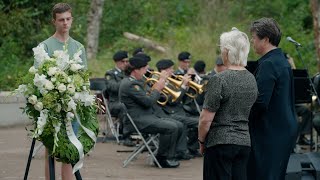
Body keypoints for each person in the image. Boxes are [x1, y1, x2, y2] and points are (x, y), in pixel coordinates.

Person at [34, 3, 87, 180]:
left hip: (73, 107)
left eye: (68, 19)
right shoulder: (45, 46)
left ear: (72, 20)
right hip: (52, 107)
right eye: (61, 20)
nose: (65, 23)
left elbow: (84, 78)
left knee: (70, 152)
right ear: (54, 22)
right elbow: (38, 79)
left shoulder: (79, 47)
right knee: (51, 152)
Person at [198, 27, 257, 180]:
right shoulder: (251, 78)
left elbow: (206, 119)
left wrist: (201, 140)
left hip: (220, 143)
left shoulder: (219, 79)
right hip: (244, 142)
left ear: (226, 51)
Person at [247, 18, 298, 180]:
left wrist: (243, 118)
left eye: (254, 37)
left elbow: (261, 103)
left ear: (266, 39)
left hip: (271, 132)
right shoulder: (281, 60)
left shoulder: (268, 64)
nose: (252, 41)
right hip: (282, 129)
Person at [119, 56, 181, 168]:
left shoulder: (139, 81)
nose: (146, 72)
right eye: (144, 69)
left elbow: (149, 95)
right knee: (171, 127)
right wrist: (158, 87)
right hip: (139, 120)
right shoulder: (130, 84)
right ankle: (161, 158)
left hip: (148, 116)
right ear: (136, 70)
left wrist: (159, 89)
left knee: (179, 125)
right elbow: (148, 102)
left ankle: (169, 156)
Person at [155, 59, 200, 158]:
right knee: (196, 122)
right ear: (163, 71)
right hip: (169, 113)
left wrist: (189, 86)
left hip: (180, 110)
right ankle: (181, 151)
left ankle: (191, 148)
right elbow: (172, 100)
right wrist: (183, 86)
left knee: (202, 120)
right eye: (170, 69)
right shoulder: (158, 83)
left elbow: (185, 99)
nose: (172, 71)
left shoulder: (171, 82)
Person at [104, 50, 134, 146]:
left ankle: (146, 134)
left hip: (128, 102)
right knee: (123, 106)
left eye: (127, 61)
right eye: (123, 61)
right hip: (115, 103)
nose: (125, 63)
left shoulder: (129, 73)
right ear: (116, 62)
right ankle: (126, 136)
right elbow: (113, 88)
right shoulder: (110, 74)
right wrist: (127, 80)